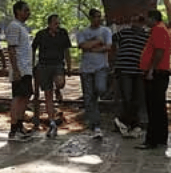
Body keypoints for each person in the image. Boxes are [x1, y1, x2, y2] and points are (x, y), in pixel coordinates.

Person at [32, 14, 72, 138]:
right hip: (44, 65)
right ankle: (52, 121)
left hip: (58, 64)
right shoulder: (41, 34)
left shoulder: (63, 33)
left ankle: (58, 89)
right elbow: (33, 48)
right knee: (47, 94)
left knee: (60, 82)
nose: (57, 25)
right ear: (49, 24)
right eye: (55, 23)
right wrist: (33, 64)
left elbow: (67, 50)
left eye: (58, 23)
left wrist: (69, 66)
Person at [137, 9, 171, 150]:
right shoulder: (159, 30)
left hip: (157, 72)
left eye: (147, 19)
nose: (146, 21)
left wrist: (151, 69)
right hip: (158, 71)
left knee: (154, 107)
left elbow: (159, 51)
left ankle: (152, 140)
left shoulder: (158, 30)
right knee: (158, 107)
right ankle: (160, 138)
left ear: (153, 18)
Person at [77, 8, 112, 139]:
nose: (99, 19)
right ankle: (95, 124)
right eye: (97, 16)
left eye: (100, 16)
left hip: (101, 67)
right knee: (89, 96)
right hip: (86, 69)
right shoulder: (83, 32)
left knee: (100, 89)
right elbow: (82, 46)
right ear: (91, 18)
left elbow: (108, 47)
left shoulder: (105, 31)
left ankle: (94, 118)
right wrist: (97, 42)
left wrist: (92, 48)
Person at [112, 14, 149, 138]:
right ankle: (132, 124)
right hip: (124, 69)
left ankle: (127, 122)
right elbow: (112, 40)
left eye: (138, 21)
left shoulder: (146, 36)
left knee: (137, 98)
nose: (135, 23)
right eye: (133, 21)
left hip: (138, 70)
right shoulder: (124, 32)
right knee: (127, 97)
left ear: (142, 23)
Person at [7, 1, 34, 141]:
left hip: (26, 68)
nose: (28, 13)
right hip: (20, 68)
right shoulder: (14, 26)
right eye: (25, 10)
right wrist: (16, 69)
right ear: (17, 11)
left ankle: (19, 125)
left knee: (26, 95)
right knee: (18, 97)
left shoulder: (23, 27)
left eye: (28, 10)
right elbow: (11, 49)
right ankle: (13, 129)